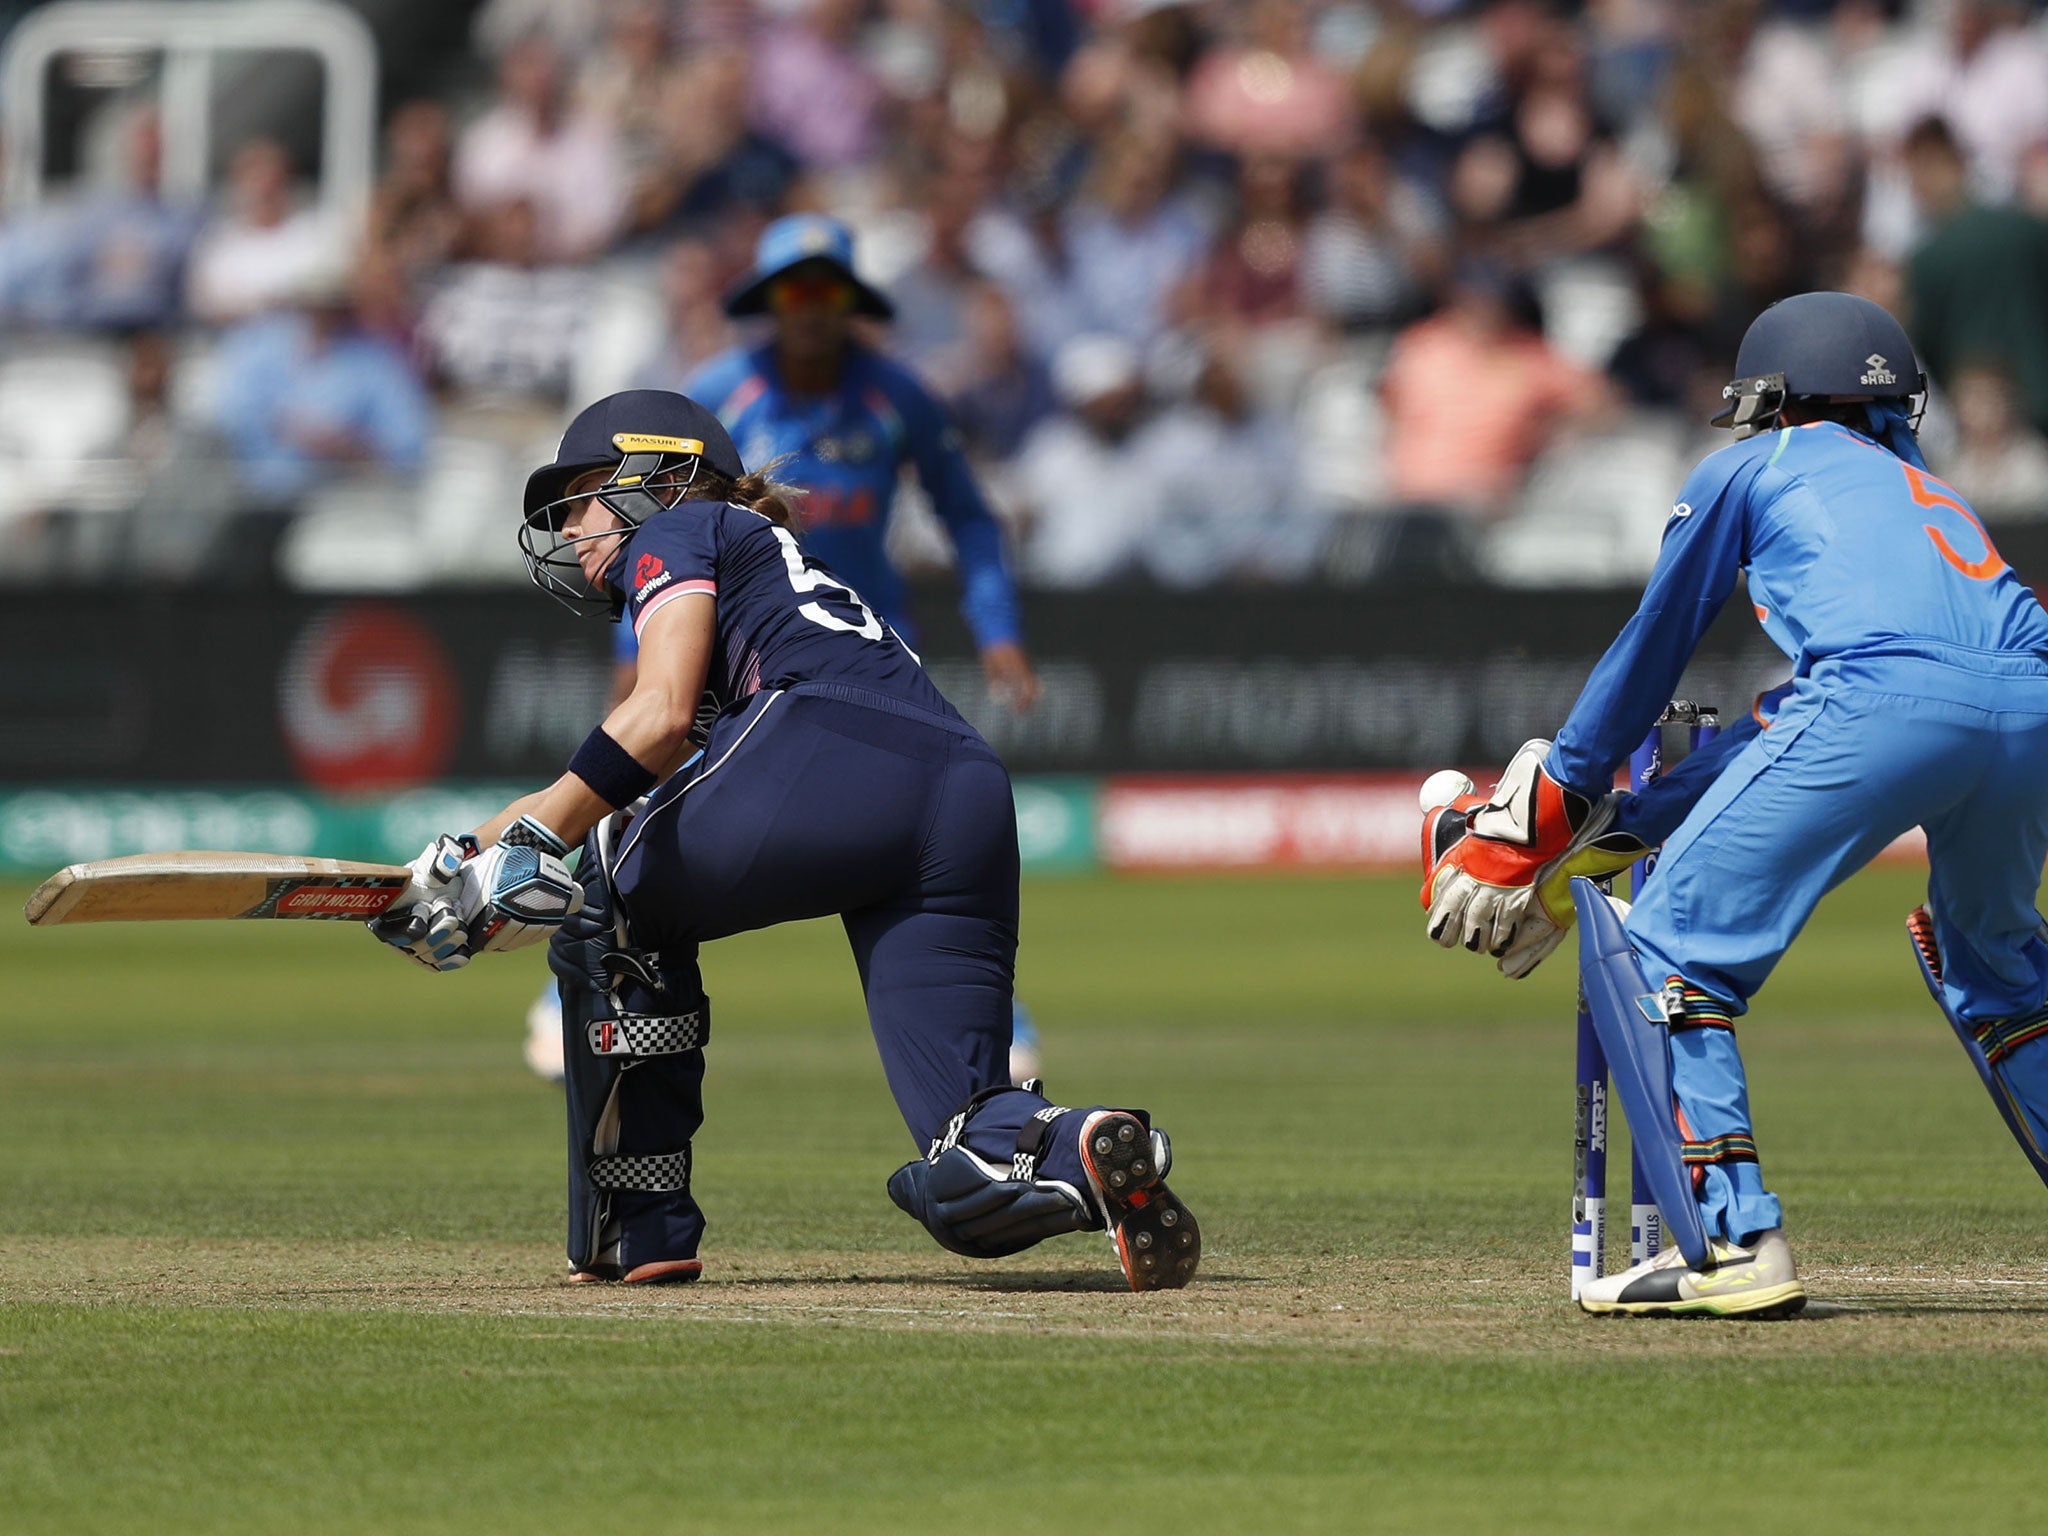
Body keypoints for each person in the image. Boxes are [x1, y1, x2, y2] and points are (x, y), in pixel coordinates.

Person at [370, 390, 1198, 1293]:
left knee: (604, 905)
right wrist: (457, 857)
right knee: (966, 1164)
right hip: (960, 787)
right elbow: (640, 759)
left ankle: (637, 1228)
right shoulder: (770, 566)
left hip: (825, 748)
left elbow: (654, 719)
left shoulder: (680, 530)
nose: (569, 532)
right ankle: (1085, 1146)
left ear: (653, 474)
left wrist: (529, 851)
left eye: (578, 500)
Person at [1422, 291, 2048, 1317]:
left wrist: (1554, 797)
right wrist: (1630, 822)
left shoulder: (1754, 467)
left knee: (1663, 953)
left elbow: (1651, 650)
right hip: (2027, 706)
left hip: (1875, 698)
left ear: (1775, 395)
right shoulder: (1927, 495)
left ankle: (1734, 1244)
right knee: (2000, 969)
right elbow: (1792, 725)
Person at [524, 213, 1044, 1083]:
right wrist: (637, 631)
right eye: (792, 292)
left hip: (864, 648)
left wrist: (998, 626)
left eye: (825, 291)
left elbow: (966, 512)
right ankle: (572, 993)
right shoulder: (721, 391)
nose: (809, 310)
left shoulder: (897, 396)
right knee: (637, 786)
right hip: (726, 642)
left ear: (849, 302)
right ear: (768, 302)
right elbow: (656, 519)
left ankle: (994, 1015)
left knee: (925, 835)